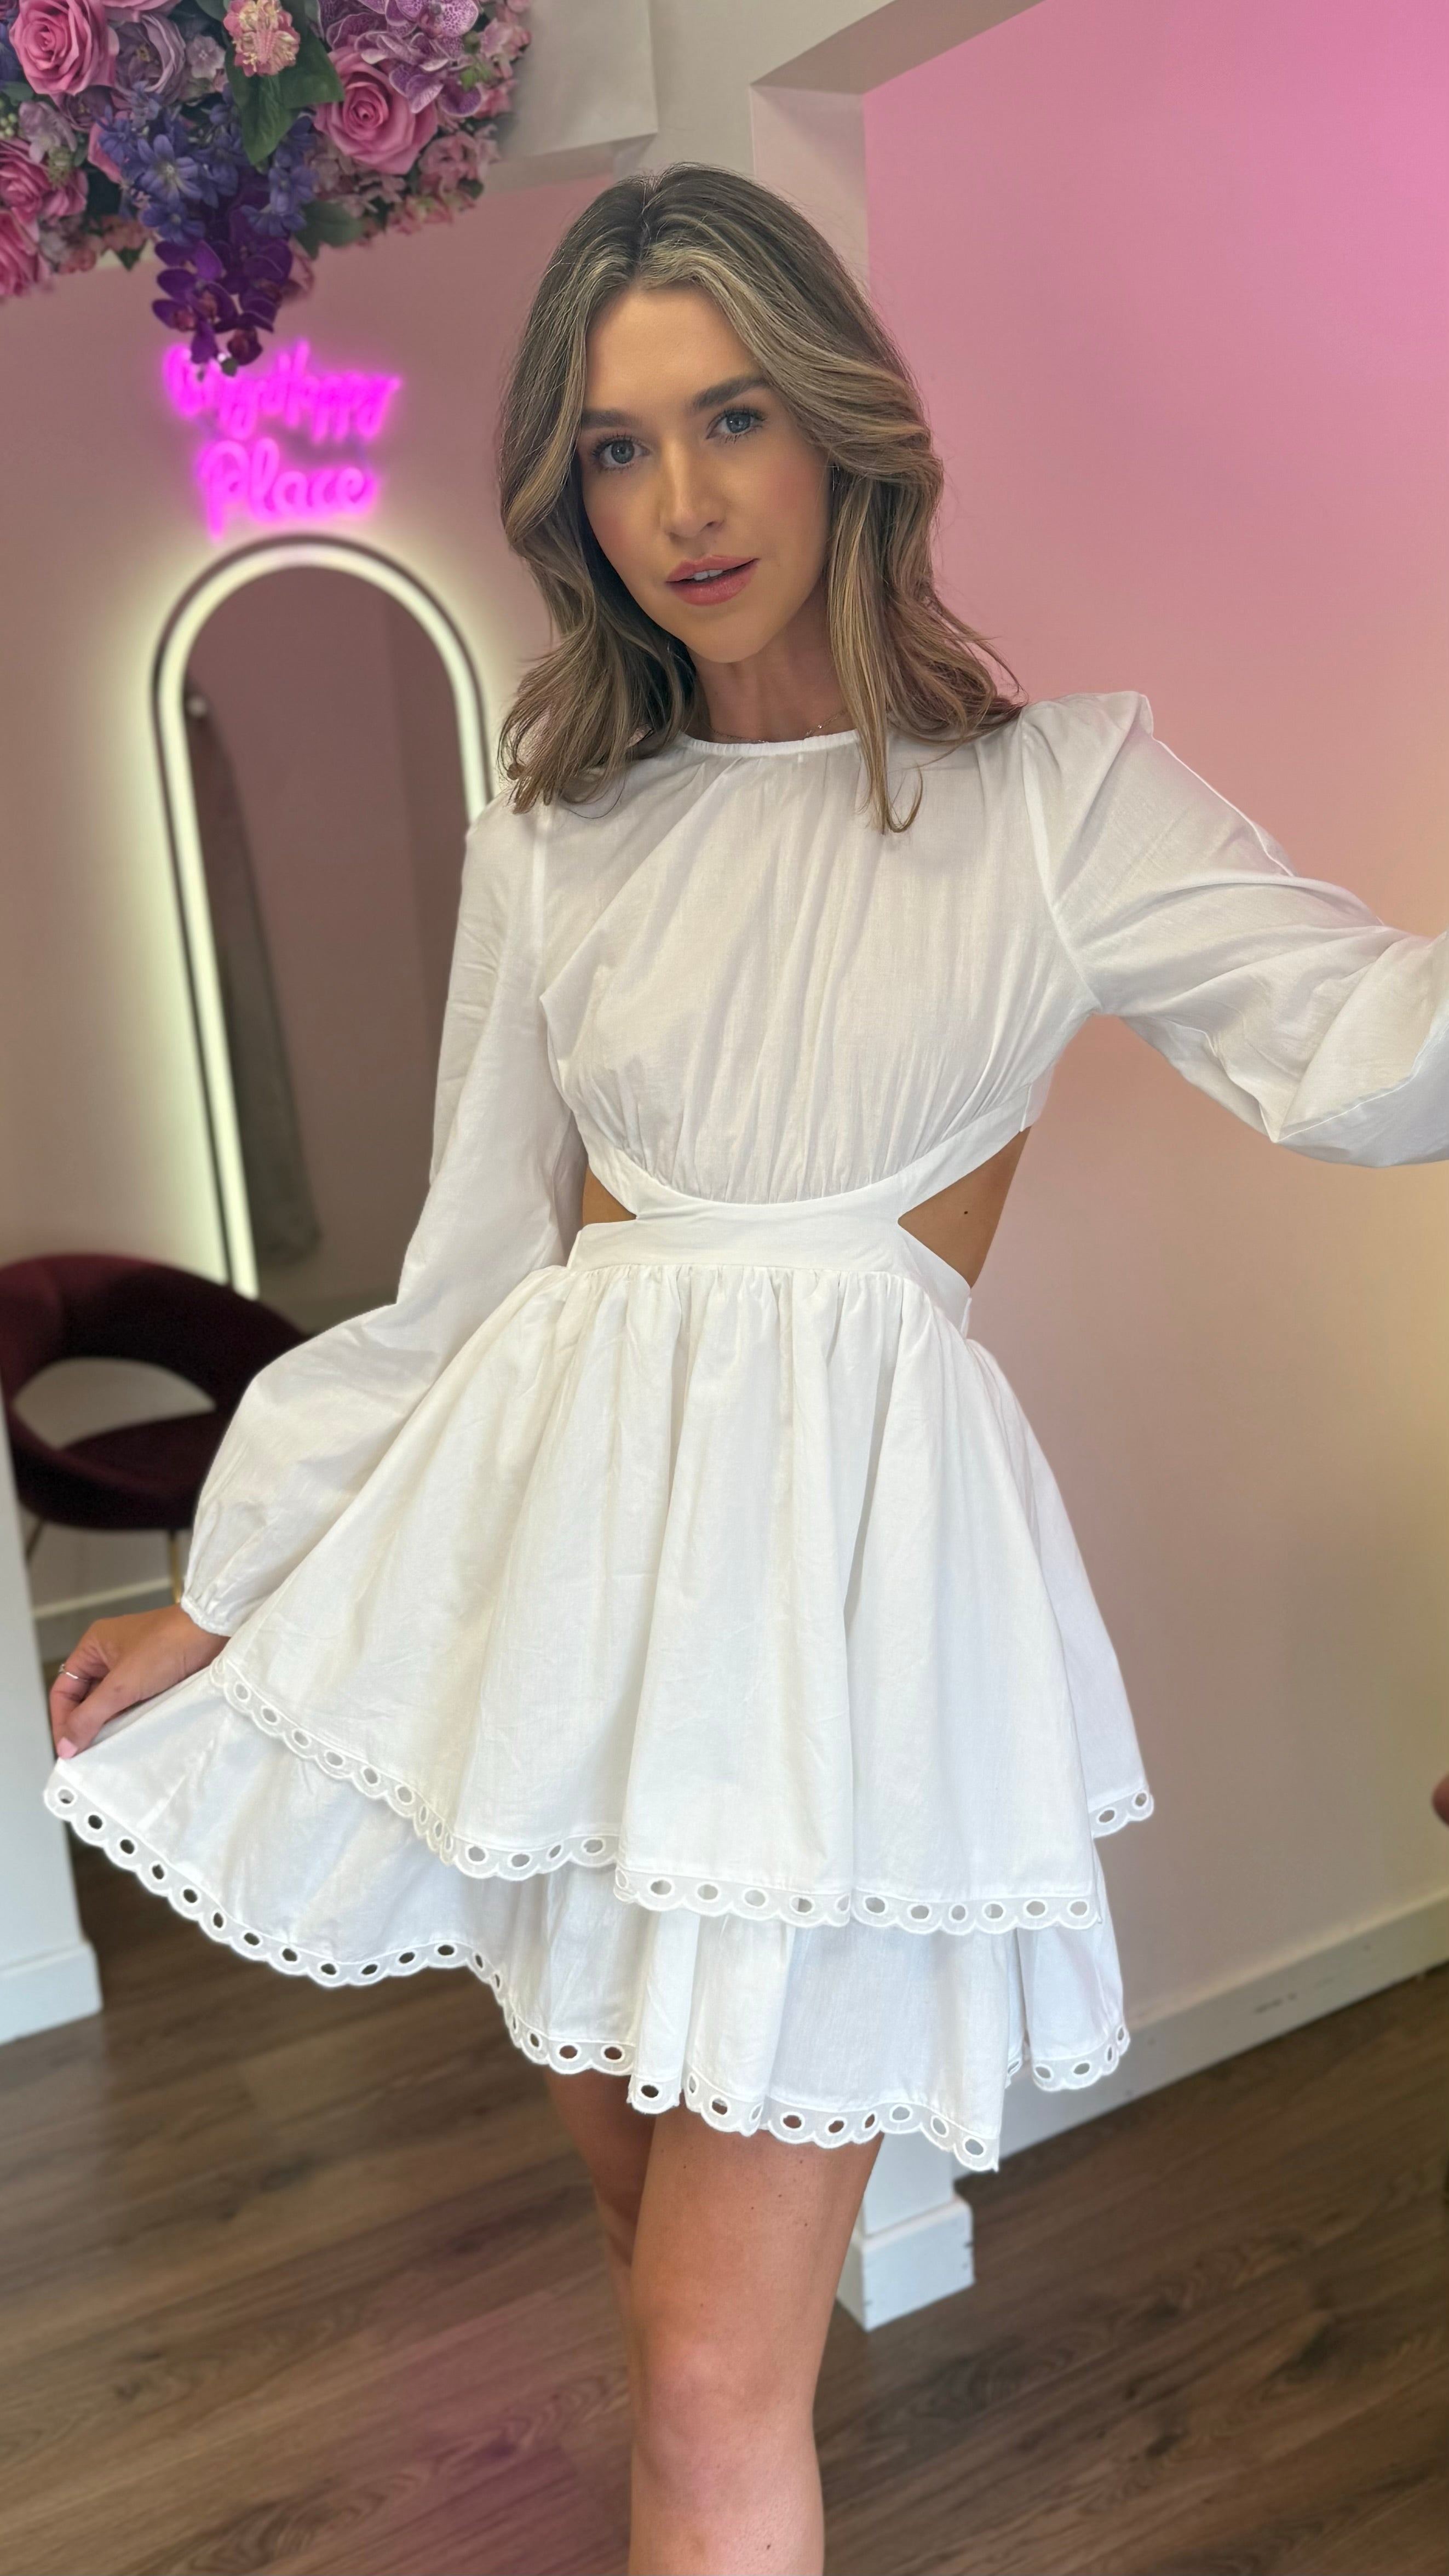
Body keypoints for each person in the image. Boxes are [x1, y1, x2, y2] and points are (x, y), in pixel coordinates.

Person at [44, 165, 1448, 2576]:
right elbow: (468, 1275)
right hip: (570, 1610)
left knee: (707, 2385)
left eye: (731, 420)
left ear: (839, 432)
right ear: (567, 496)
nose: (682, 501)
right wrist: (234, 1589)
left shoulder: (1054, 796)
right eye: (616, 448)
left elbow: (1362, 1036)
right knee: (658, 2289)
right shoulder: (561, 831)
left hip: (833, 1643)